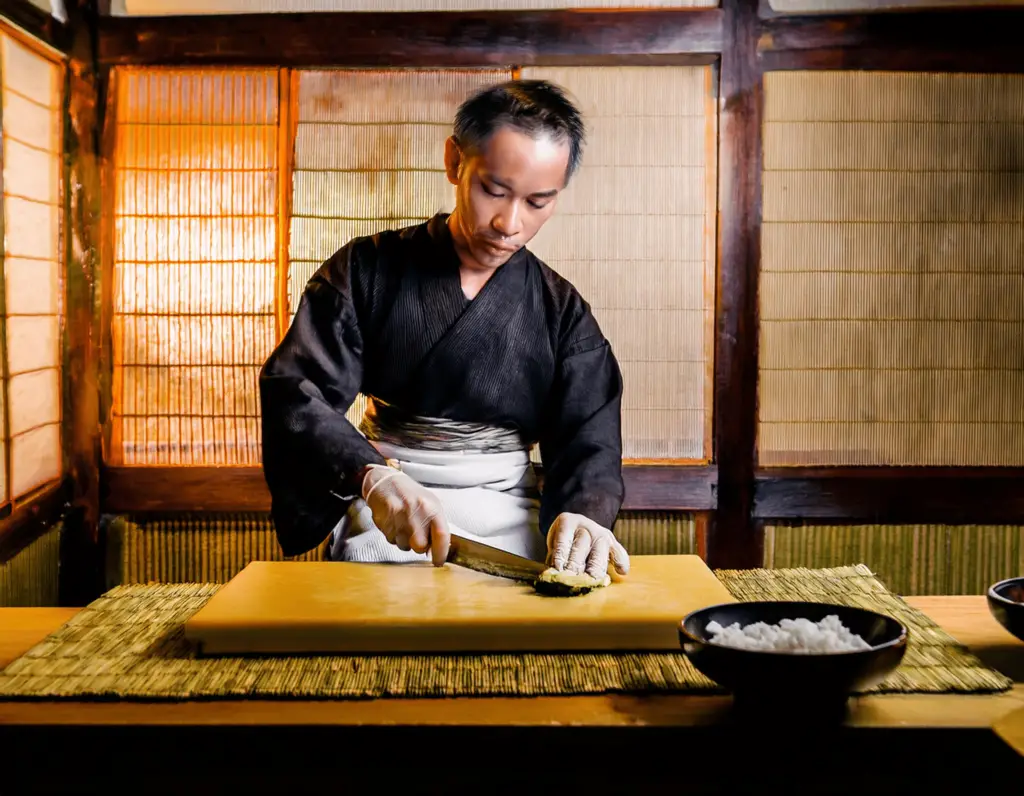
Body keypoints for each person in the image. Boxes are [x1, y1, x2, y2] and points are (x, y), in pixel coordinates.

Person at [259, 79, 630, 582]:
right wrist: (369, 476)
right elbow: (296, 392)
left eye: (538, 202)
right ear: (456, 162)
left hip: (510, 515)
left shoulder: (561, 310)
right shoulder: (365, 272)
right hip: (387, 511)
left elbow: (591, 435)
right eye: (493, 190)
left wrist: (584, 513)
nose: (509, 223)